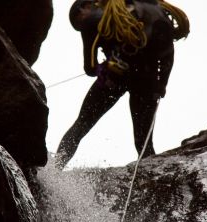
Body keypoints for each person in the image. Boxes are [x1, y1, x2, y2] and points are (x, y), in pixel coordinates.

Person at [55, 0, 189, 170]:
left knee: (82, 124)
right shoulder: (158, 11)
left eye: (78, 21)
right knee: (143, 143)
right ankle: (153, 181)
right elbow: (168, 54)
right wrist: (160, 86)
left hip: (114, 78)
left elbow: (89, 67)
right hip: (146, 81)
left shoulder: (92, 19)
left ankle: (55, 169)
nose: (80, 26)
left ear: (85, 7)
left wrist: (102, 68)